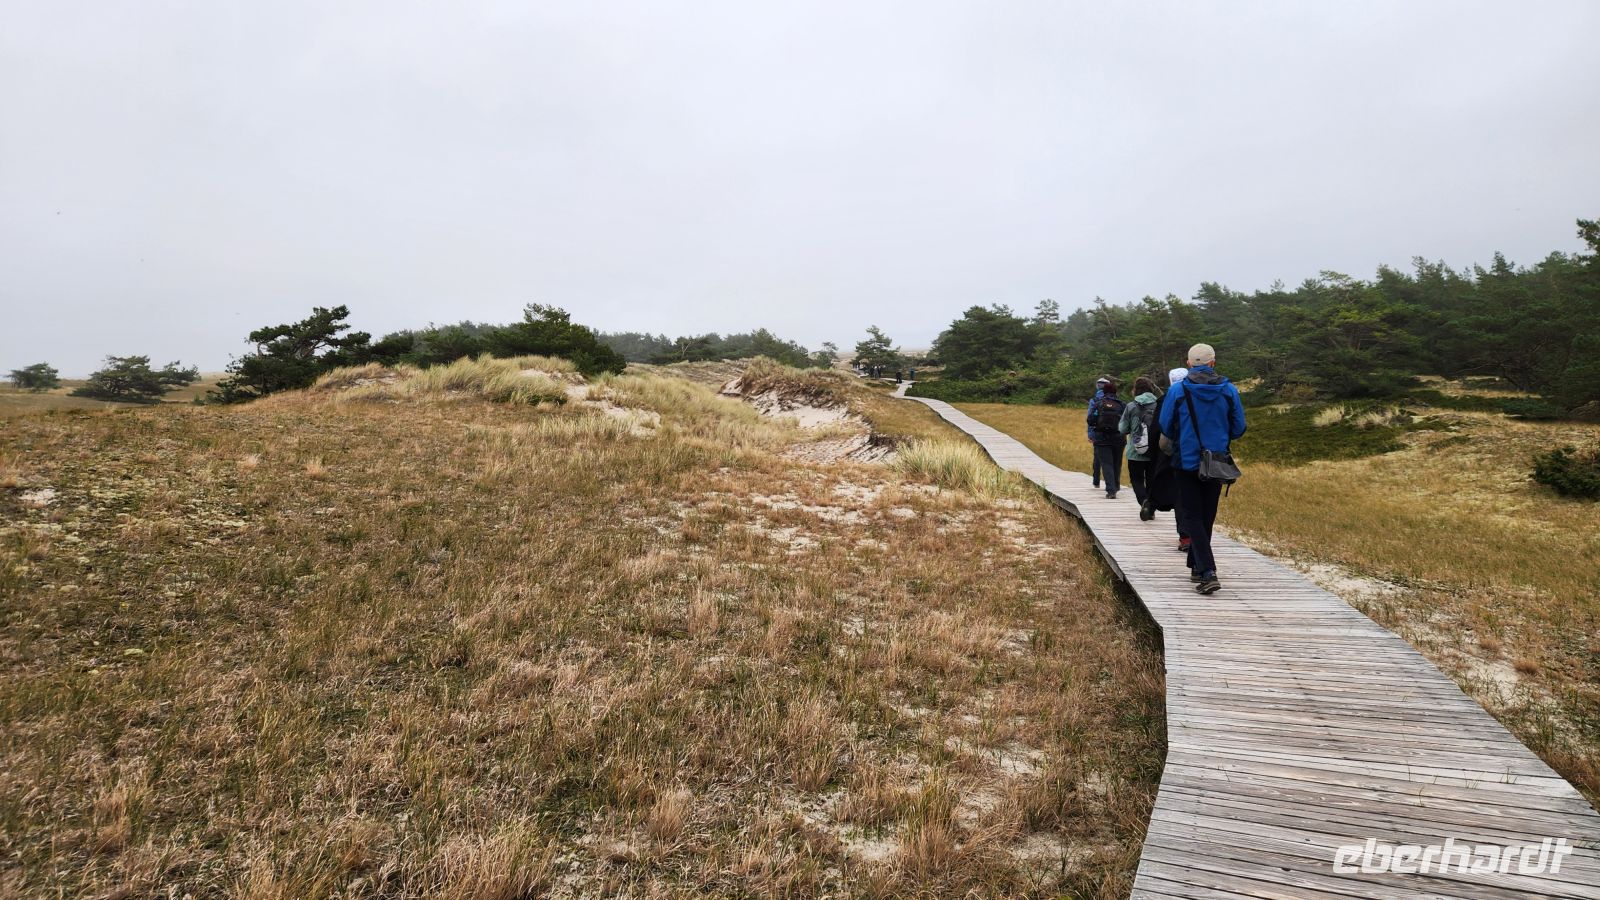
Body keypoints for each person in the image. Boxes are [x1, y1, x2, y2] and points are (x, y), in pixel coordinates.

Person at [1159, 345, 1246, 595]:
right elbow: (1239, 428)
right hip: (1216, 461)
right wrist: (1217, 435)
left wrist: (1185, 436)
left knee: (1192, 515)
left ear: (1189, 363)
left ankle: (1207, 571)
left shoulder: (1178, 390)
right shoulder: (1229, 390)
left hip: (1185, 461)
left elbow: (1166, 425)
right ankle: (1196, 565)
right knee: (1207, 515)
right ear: (1212, 363)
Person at [1118, 376, 1161, 507]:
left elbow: (1122, 428)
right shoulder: (1159, 404)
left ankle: (1143, 502)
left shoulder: (1131, 406)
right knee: (1152, 480)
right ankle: (1151, 508)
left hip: (1135, 450)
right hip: (1155, 450)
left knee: (1136, 479)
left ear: (1136, 390)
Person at [1087, 376, 1126, 498]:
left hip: (1102, 437)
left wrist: (1095, 428)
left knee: (1106, 463)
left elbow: (1090, 420)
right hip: (1118, 437)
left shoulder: (1098, 403)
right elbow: (1126, 421)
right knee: (1117, 462)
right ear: (1115, 392)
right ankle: (1116, 485)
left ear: (1104, 392)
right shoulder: (1122, 405)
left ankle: (1111, 490)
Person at [1087, 376, 1110, 488]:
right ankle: (1111, 483)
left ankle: (1096, 481)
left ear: (1098, 387)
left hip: (1098, 433)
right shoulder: (1114, 400)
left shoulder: (1094, 400)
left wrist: (1090, 435)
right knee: (1110, 458)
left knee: (1097, 457)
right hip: (1113, 433)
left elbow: (1090, 419)